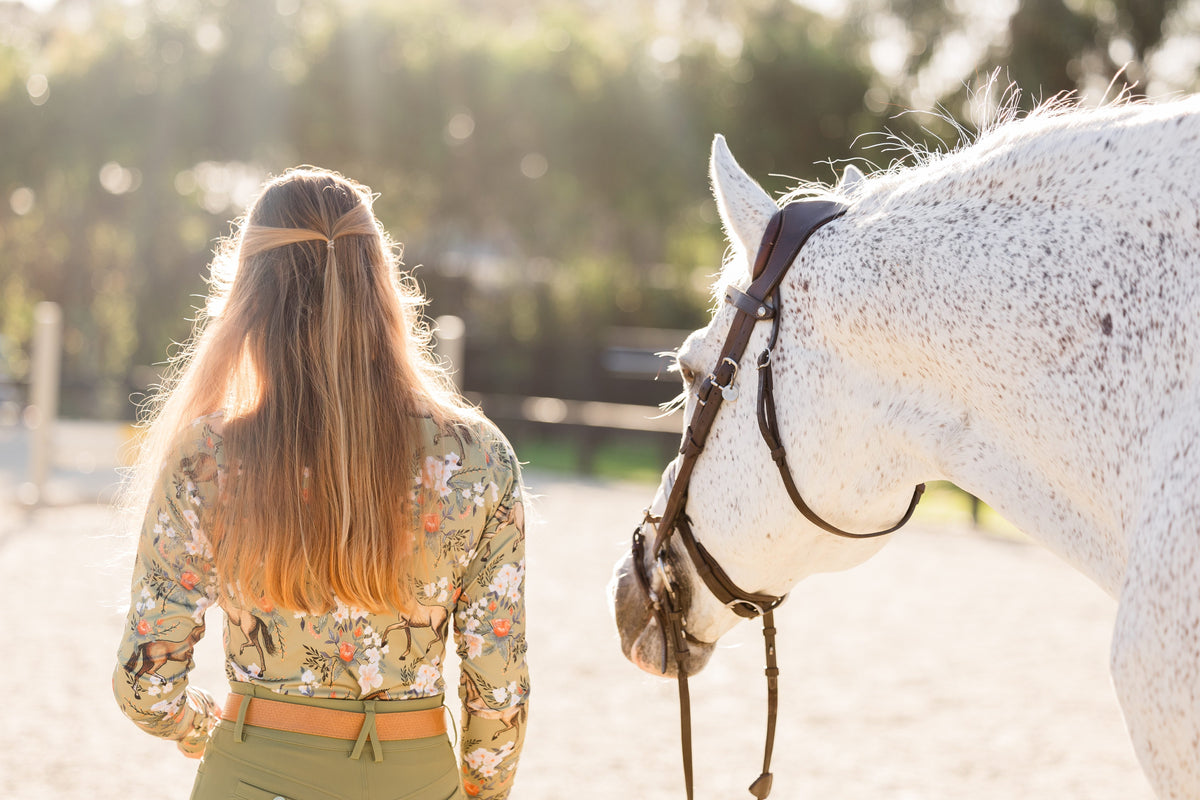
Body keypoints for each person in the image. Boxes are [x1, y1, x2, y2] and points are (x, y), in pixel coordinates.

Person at [113, 167, 528, 800]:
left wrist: (217, 733)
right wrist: (473, 786)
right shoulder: (479, 459)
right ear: (382, 287)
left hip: (250, 773)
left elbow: (145, 687)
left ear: (248, 300)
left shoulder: (210, 458)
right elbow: (497, 699)